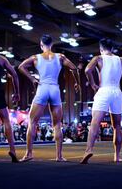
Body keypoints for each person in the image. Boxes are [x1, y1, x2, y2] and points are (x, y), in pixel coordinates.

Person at [18, 34, 80, 162]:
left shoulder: (36, 57)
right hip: (55, 89)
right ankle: (59, 156)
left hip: (43, 87)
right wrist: (77, 82)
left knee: (32, 122)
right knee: (57, 124)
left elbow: (21, 67)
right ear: (51, 45)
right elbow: (74, 68)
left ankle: (29, 154)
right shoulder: (60, 57)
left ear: (41, 45)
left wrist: (32, 79)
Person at [80, 38, 122, 164]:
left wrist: (93, 84)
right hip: (117, 93)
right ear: (112, 48)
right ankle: (117, 156)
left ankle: (88, 150)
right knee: (117, 126)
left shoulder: (98, 58)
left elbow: (87, 70)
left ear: (101, 49)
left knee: (95, 122)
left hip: (104, 90)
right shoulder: (121, 60)